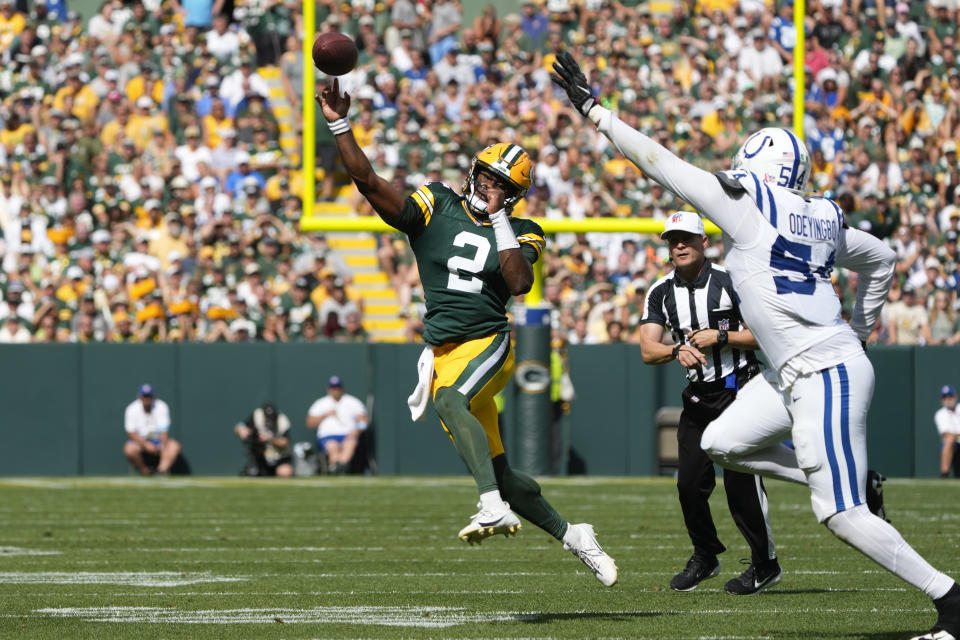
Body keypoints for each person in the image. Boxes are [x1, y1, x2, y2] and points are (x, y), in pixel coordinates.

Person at [553, 51, 959, 638]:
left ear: (753, 166)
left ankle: (948, 596)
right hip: (795, 372)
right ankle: (849, 476)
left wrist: (598, 113)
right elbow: (883, 258)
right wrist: (864, 329)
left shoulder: (749, 207)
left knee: (839, 514)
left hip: (823, 371)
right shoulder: (819, 215)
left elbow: (663, 165)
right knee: (721, 441)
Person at [316, 78, 617, 586]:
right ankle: (574, 535)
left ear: (515, 195)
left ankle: (490, 507)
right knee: (503, 475)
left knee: (451, 402)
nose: (487, 187)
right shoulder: (437, 202)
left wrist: (499, 220)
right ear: (472, 171)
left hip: (489, 342)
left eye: (500, 184)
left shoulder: (525, 231)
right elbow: (369, 182)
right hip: (442, 351)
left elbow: (519, 282)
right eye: (485, 176)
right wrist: (339, 124)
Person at [640, 210, 781, 595]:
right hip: (700, 397)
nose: (679, 245)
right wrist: (676, 350)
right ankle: (706, 556)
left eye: (686, 237)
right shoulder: (660, 291)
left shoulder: (731, 281)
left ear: (704, 242)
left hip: (742, 391)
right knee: (689, 484)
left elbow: (765, 335)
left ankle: (765, 564)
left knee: (742, 484)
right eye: (673, 239)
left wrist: (722, 338)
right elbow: (648, 350)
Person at [306, 376, 369, 475]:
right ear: (328, 389)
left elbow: (364, 422)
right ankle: (337, 467)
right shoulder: (321, 403)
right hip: (327, 436)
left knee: (350, 443)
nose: (335, 390)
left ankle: (340, 467)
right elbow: (310, 423)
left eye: (337, 387)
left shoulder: (352, 402)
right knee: (333, 447)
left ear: (342, 388)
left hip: (348, 435)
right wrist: (325, 415)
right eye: (333, 387)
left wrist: (357, 431)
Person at [123, 383, 181, 476]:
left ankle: (161, 471)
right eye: (145, 396)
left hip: (158, 440)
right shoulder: (131, 409)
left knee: (174, 446)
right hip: (141, 442)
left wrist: (163, 445)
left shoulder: (161, 406)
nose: (147, 398)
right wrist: (146, 445)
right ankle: (145, 471)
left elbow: (164, 430)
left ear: (153, 396)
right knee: (129, 449)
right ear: (139, 396)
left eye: (149, 396)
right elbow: (131, 432)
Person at [234, 402, 293, 477]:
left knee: (285, 472)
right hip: (260, 457)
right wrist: (241, 430)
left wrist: (270, 439)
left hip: (278, 457)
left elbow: (284, 442)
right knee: (252, 473)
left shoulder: (282, 421)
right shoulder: (257, 416)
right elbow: (239, 425)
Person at [935, 385, 960, 478]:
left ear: (955, 397)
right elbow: (945, 433)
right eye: (945, 397)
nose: (948, 399)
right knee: (949, 439)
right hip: (954, 442)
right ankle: (944, 474)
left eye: (950, 396)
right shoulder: (940, 414)